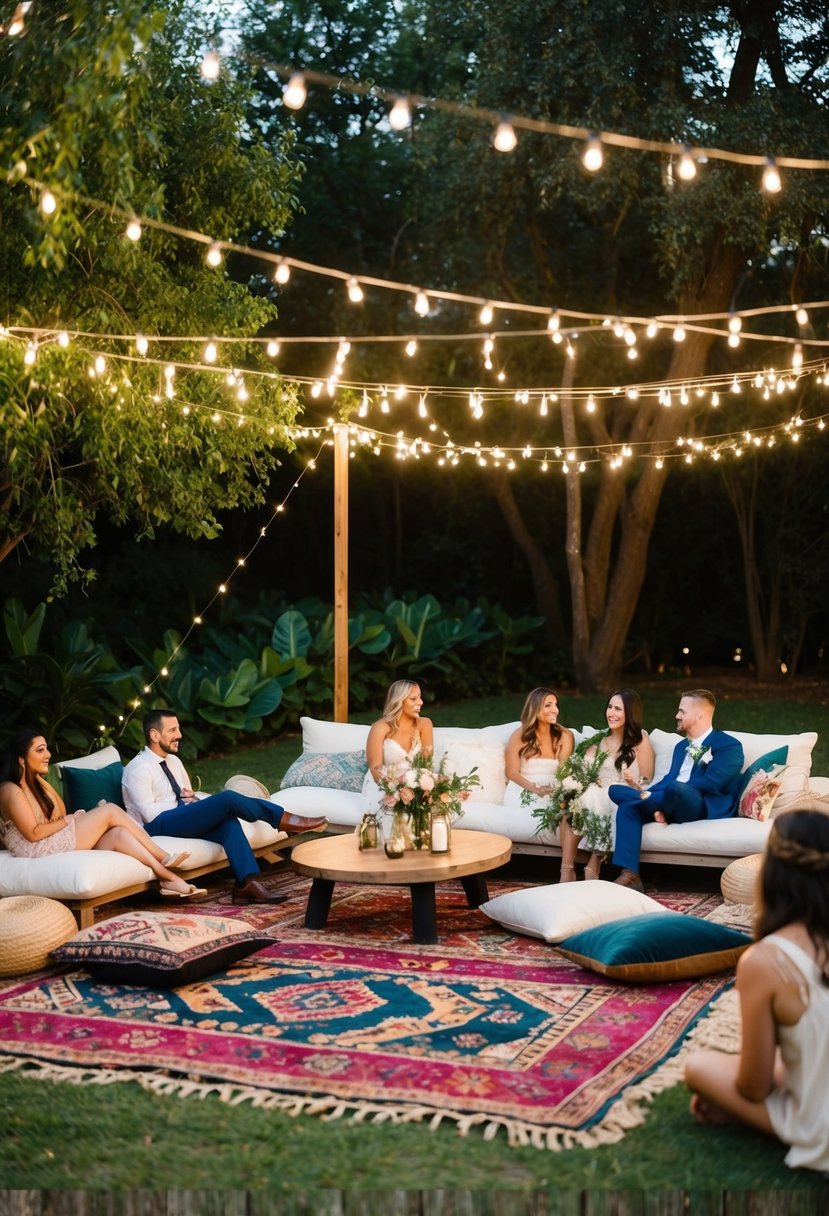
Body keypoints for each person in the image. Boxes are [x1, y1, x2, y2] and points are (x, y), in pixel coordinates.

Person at [684, 807, 829, 1173]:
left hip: (822, 1129)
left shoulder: (766, 960)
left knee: (700, 1066)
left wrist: (735, 1106)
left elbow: (753, 1087)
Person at [122, 710, 328, 905]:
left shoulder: (174, 762)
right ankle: (283, 820)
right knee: (227, 799)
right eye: (172, 730)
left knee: (228, 823)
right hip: (155, 827)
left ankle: (245, 884)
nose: (180, 735)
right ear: (154, 735)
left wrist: (193, 799)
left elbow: (187, 794)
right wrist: (190, 808)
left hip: (178, 819)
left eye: (178, 729)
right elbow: (150, 815)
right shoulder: (138, 769)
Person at [0, 729, 207, 901]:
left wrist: (42, 783)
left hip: (50, 839)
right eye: (40, 750)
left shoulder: (36, 783)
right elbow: (34, 833)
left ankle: (166, 878)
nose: (48, 755)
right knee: (109, 810)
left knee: (118, 834)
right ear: (22, 759)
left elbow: (61, 811)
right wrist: (68, 821)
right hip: (36, 848)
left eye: (46, 749)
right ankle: (163, 857)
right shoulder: (10, 790)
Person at [609, 689, 743, 891]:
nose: (676, 716)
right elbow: (668, 779)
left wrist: (655, 796)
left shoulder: (728, 746)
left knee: (676, 789)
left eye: (682, 711)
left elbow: (712, 783)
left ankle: (656, 805)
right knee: (618, 795)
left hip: (699, 805)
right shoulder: (681, 746)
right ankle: (631, 875)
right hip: (670, 797)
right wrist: (651, 793)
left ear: (699, 715)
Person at [559, 689, 655, 881]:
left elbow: (647, 779)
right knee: (578, 799)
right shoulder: (599, 742)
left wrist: (633, 782)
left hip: (623, 794)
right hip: (598, 790)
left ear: (630, 713)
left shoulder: (640, 740)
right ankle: (567, 868)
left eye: (618, 709)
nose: (611, 713)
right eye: (610, 707)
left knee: (604, 800)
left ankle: (593, 865)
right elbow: (585, 771)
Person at [362, 679, 434, 807]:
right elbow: (375, 769)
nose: (421, 702)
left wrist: (417, 789)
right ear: (399, 701)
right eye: (413, 699)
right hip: (382, 786)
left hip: (415, 786)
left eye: (420, 697)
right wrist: (395, 791)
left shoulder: (425, 724)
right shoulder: (380, 728)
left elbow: (426, 763)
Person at [503, 687, 575, 810]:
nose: (555, 710)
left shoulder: (565, 736)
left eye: (556, 705)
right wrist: (535, 788)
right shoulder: (520, 735)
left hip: (553, 789)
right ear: (534, 709)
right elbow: (511, 772)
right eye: (548, 705)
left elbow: (564, 773)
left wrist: (555, 791)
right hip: (523, 789)